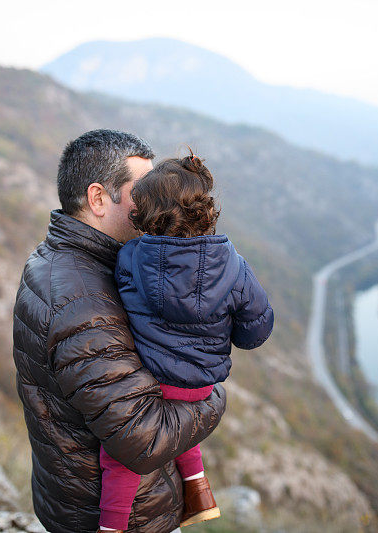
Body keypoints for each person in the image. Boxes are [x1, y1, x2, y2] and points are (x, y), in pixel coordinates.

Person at [12, 129, 227, 533]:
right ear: (97, 199)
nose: (155, 205)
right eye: (142, 192)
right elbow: (142, 440)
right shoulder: (82, 300)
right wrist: (212, 391)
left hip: (87, 503)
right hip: (120, 519)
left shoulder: (63, 262)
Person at [97, 152, 274, 532]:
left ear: (148, 215)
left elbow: (122, 308)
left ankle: (111, 527)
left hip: (154, 383)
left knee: (122, 455)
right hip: (201, 385)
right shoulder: (234, 265)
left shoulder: (130, 257)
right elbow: (255, 331)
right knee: (182, 428)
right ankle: (199, 491)